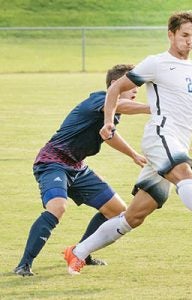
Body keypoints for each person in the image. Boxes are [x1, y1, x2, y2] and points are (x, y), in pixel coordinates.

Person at [63, 11, 192, 275]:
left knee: (134, 216)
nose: (189, 41)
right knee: (184, 172)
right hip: (160, 135)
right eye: (184, 35)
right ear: (171, 34)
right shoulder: (157, 63)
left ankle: (78, 252)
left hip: (176, 143)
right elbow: (115, 89)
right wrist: (108, 120)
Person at [13, 64, 150, 276]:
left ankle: (81, 253)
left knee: (116, 210)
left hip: (77, 167)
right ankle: (24, 264)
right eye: (131, 85)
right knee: (57, 207)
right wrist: (153, 108)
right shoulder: (99, 99)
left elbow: (109, 136)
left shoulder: (111, 113)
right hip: (53, 162)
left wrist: (133, 155)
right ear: (115, 85)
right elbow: (121, 106)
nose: (135, 89)